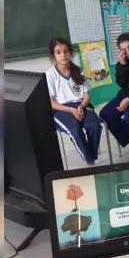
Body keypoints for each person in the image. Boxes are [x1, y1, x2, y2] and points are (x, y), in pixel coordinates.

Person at [46, 37, 101, 166]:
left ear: (70, 52)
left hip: (80, 105)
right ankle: (91, 164)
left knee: (95, 125)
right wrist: (70, 110)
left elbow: (87, 96)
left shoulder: (79, 70)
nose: (63, 55)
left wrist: (81, 106)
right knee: (75, 129)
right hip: (61, 109)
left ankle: (90, 155)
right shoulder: (50, 75)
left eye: (66, 51)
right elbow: (52, 102)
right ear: (53, 55)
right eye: (58, 52)